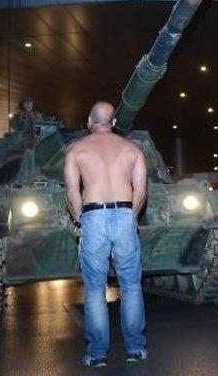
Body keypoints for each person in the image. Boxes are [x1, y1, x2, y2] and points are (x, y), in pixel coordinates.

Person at [64, 101, 148, 368]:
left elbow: (72, 192)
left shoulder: (76, 149)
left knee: (95, 289)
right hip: (124, 215)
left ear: (90, 121)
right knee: (131, 287)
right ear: (113, 123)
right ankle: (135, 349)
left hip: (92, 217)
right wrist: (130, 217)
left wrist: (80, 221)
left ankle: (97, 353)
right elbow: (141, 192)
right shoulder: (133, 150)